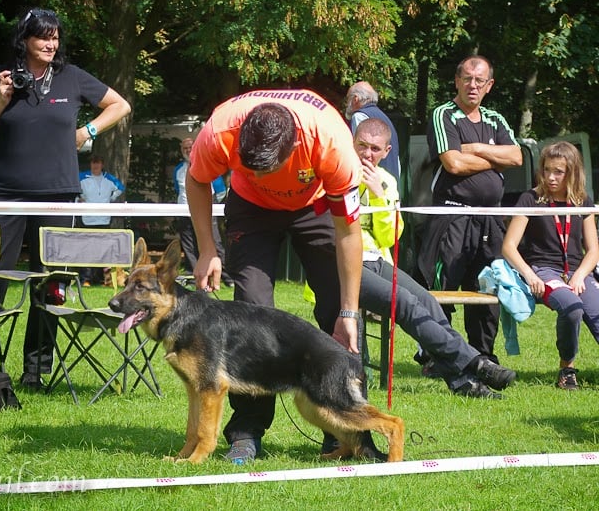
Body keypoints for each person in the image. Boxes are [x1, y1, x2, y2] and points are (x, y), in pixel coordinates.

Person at [186, 89, 363, 464]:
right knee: (250, 312)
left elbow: (349, 232)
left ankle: (341, 427)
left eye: (266, 169)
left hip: (315, 205)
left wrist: (349, 313)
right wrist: (207, 249)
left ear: (295, 143)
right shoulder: (220, 129)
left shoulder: (331, 141)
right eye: (249, 167)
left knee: (334, 309)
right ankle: (247, 429)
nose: (259, 175)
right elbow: (197, 180)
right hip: (250, 209)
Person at [0, 8, 131, 391]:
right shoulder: (0, 77)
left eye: (55, 37)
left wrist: (86, 130)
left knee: (49, 286)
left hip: (57, 196)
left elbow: (120, 105)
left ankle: (35, 372)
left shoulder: (72, 78)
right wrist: (2, 102)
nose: (51, 43)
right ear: (24, 39)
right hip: (4, 196)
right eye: (43, 37)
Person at [353, 118, 516, 399]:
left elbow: (389, 237)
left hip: (376, 258)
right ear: (352, 144)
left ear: (387, 151)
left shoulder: (388, 182)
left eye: (374, 149)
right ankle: (475, 362)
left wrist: (379, 197)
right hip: (345, 263)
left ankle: (461, 381)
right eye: (362, 146)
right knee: (404, 302)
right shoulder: (338, 174)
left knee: (427, 299)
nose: (367, 155)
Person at [417, 55, 522, 365]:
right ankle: (440, 356)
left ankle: (483, 355)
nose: (472, 85)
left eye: (480, 80)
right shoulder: (443, 115)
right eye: (467, 78)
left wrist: (474, 149)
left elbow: (516, 157)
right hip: (451, 217)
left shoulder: (495, 120)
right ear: (457, 81)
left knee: (488, 288)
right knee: (443, 288)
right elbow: (453, 163)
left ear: (488, 86)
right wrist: (495, 158)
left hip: (491, 218)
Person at [502, 141, 599, 390]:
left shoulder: (583, 201)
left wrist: (580, 276)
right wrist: (529, 275)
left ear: (573, 172)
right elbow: (509, 247)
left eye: (559, 172)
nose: (551, 177)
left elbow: (594, 250)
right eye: (547, 170)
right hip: (544, 271)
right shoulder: (530, 199)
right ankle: (567, 369)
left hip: (577, 272)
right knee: (572, 307)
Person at [174, 137, 234, 286]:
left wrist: (211, 205)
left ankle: (227, 276)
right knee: (188, 245)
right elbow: (178, 189)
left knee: (215, 243)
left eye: (190, 147)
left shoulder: (206, 165)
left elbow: (220, 191)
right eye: (185, 148)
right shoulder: (178, 170)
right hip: (184, 211)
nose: (188, 150)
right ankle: (197, 277)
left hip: (207, 211)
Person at [78, 155, 125, 286]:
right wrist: (79, 198)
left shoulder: (109, 178)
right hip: (86, 218)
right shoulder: (81, 177)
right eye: (93, 163)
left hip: (104, 218)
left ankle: (98, 278)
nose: (95, 165)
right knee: (87, 249)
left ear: (102, 164)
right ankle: (85, 279)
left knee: (101, 250)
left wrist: (111, 199)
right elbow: (73, 189)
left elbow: (120, 188)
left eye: (98, 163)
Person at [345, 81, 401, 180]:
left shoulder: (359, 115)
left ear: (355, 99)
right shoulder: (384, 117)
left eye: (348, 98)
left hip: (370, 178)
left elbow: (358, 154)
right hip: (390, 178)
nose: (346, 103)